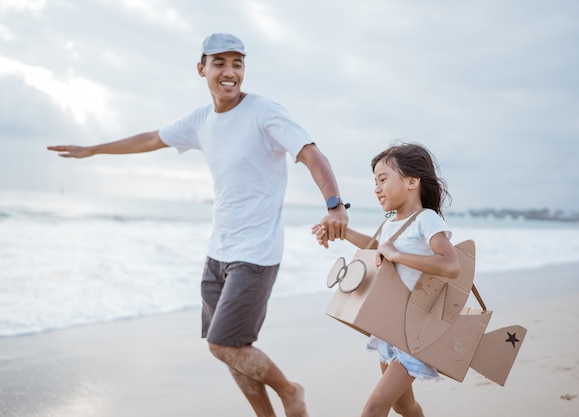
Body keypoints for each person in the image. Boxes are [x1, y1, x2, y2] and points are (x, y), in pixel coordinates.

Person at [48, 33, 349, 417]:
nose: (229, 72)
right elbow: (150, 139)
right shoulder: (200, 120)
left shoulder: (264, 112)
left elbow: (310, 153)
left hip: (256, 253)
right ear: (201, 68)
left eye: (237, 63)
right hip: (217, 251)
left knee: (223, 344)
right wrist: (94, 149)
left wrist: (335, 204)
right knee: (233, 350)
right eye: (219, 63)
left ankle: (290, 392)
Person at [312, 142, 460, 417]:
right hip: (390, 328)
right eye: (375, 182)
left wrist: (396, 255)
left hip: (415, 331)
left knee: (372, 410)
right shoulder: (392, 222)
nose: (376, 188)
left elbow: (451, 265)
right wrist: (340, 232)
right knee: (402, 405)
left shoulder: (426, 220)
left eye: (383, 180)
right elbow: (375, 246)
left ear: (412, 181)